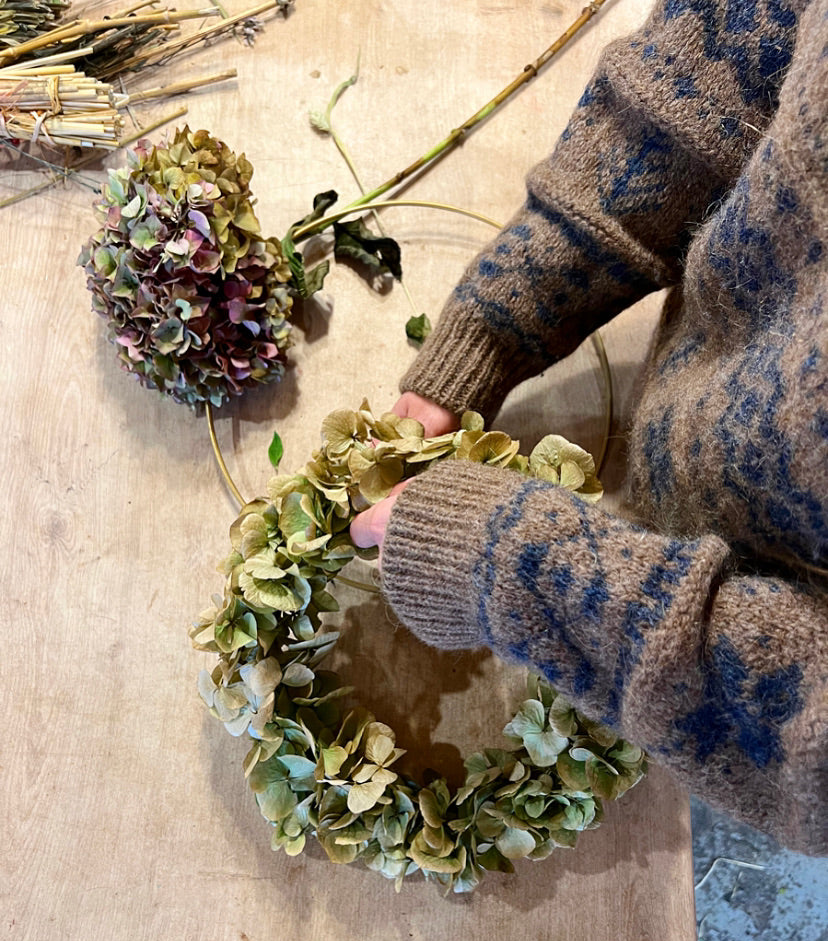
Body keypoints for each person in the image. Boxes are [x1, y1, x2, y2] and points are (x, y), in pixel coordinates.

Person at [349, 0, 827, 856]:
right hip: (680, 432)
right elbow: (716, 66)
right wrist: (496, 324)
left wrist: (527, 567)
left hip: (714, 694)